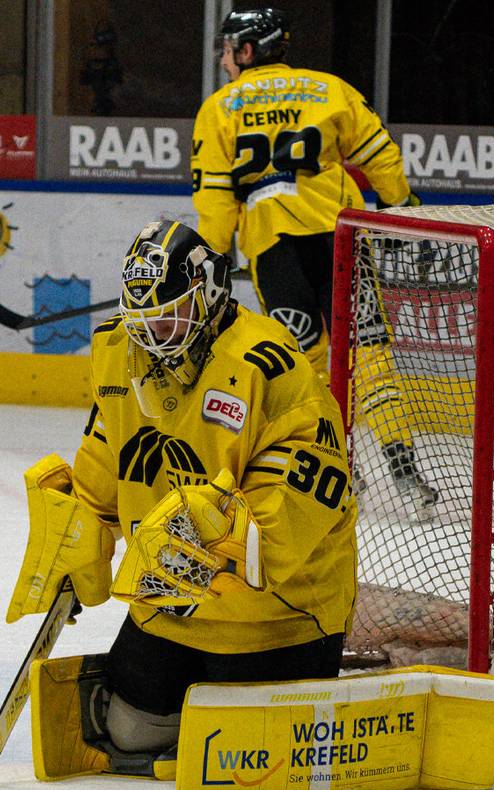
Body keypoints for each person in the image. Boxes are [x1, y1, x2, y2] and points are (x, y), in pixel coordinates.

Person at [7, 219, 358, 775]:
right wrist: (79, 529)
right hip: (170, 607)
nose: (154, 339)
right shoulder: (120, 351)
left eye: (168, 319)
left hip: (281, 612)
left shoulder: (269, 364)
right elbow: (106, 456)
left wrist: (222, 531)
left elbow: (297, 514)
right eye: (143, 323)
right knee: (128, 733)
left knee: (232, 748)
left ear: (211, 294)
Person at [191, 7, 439, 519]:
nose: (223, 60)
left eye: (227, 49)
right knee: (369, 353)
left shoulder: (219, 109)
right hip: (341, 236)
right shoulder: (329, 89)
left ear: (248, 50)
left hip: (273, 247)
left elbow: (216, 199)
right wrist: (399, 208)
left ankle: (338, 467)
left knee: (307, 362)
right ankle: (407, 472)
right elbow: (380, 154)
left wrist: (213, 258)